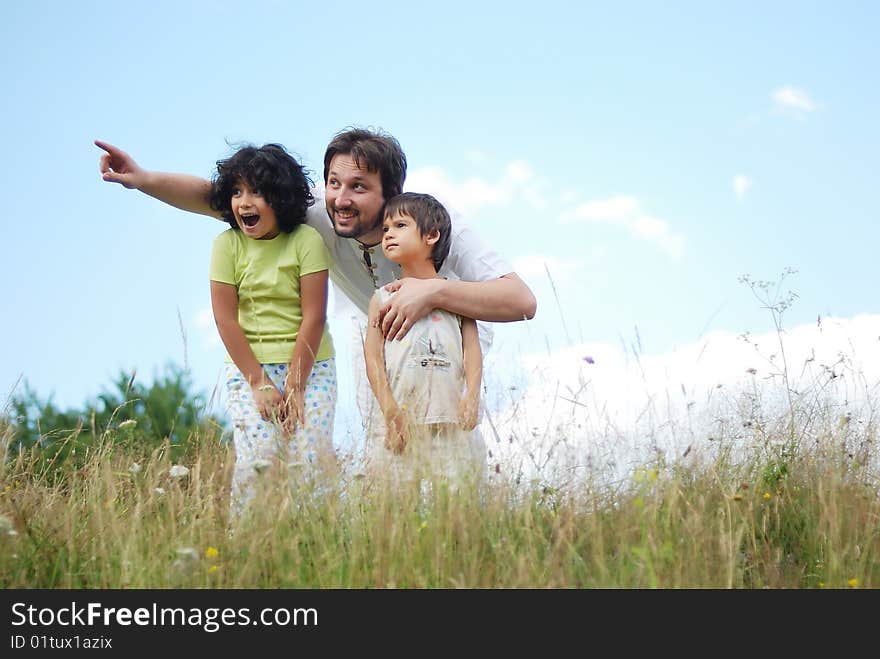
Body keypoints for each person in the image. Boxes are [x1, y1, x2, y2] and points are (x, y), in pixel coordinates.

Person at [95, 127, 536, 469]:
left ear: (390, 194)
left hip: (448, 349)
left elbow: (521, 300)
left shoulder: (432, 221)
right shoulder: (318, 219)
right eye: (333, 183)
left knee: (449, 461)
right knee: (388, 457)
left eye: (359, 187)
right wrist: (143, 179)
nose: (340, 199)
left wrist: (433, 290)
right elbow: (218, 200)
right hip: (379, 347)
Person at [206, 143, 336, 516]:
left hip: (312, 368)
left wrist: (295, 386)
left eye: (257, 192)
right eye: (236, 191)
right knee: (259, 463)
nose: (244, 202)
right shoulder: (226, 246)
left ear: (279, 197)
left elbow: (314, 316)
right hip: (250, 370)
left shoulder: (305, 241)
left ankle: (314, 545)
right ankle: (250, 549)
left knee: (309, 460)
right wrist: (259, 382)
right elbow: (225, 319)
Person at [364, 192, 484, 493]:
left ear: (431, 235)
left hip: (451, 423)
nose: (388, 233)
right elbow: (373, 357)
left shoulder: (457, 295)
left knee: (458, 504)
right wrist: (390, 410)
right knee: (396, 508)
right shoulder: (382, 298)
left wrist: (472, 396)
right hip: (402, 423)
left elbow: (472, 349)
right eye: (386, 227)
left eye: (400, 225)